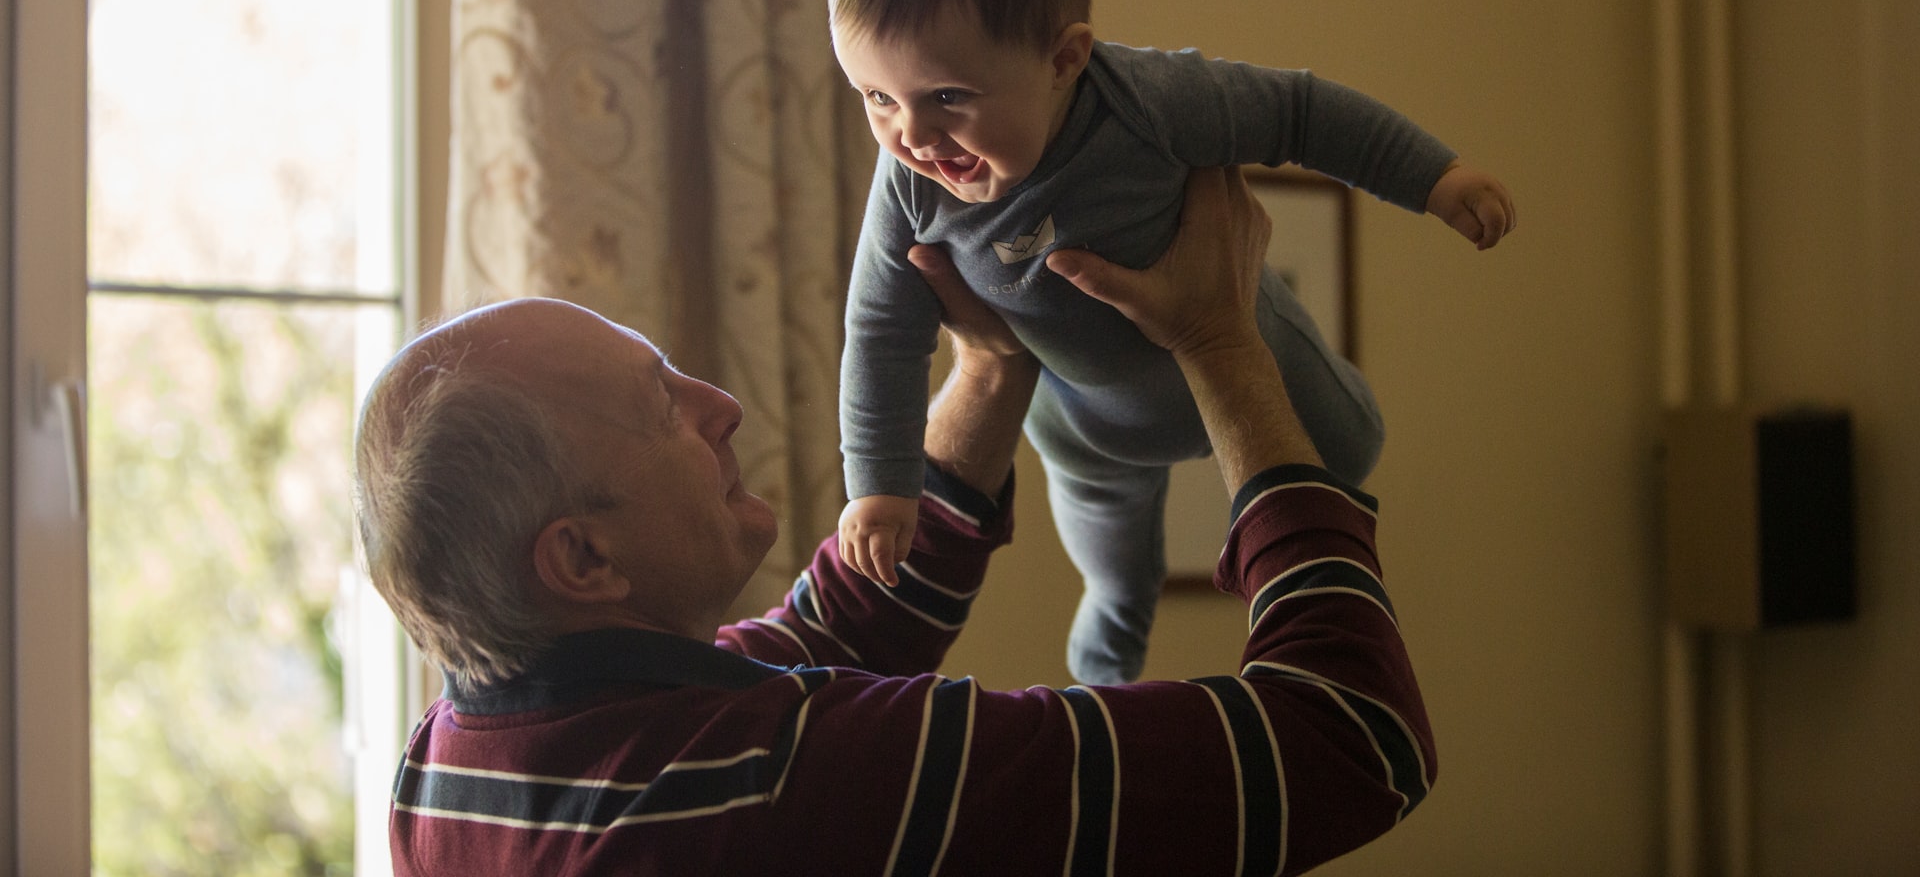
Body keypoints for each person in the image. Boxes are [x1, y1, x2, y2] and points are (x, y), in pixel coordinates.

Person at [355, 168, 1436, 876]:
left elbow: (832, 631)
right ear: (583, 557)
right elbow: (1350, 737)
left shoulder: (449, 768)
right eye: (661, 407)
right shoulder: (790, 784)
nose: (719, 407)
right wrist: (1221, 343)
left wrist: (992, 364)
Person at [830, 0, 1517, 684]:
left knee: (1351, 452)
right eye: (876, 97)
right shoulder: (911, 190)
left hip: (1243, 339)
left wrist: (1436, 179)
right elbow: (881, 334)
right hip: (1089, 430)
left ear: (1065, 59)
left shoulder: (1150, 102)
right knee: (1117, 578)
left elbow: (1302, 113)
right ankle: (1105, 680)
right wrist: (882, 486)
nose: (912, 136)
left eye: (947, 96)